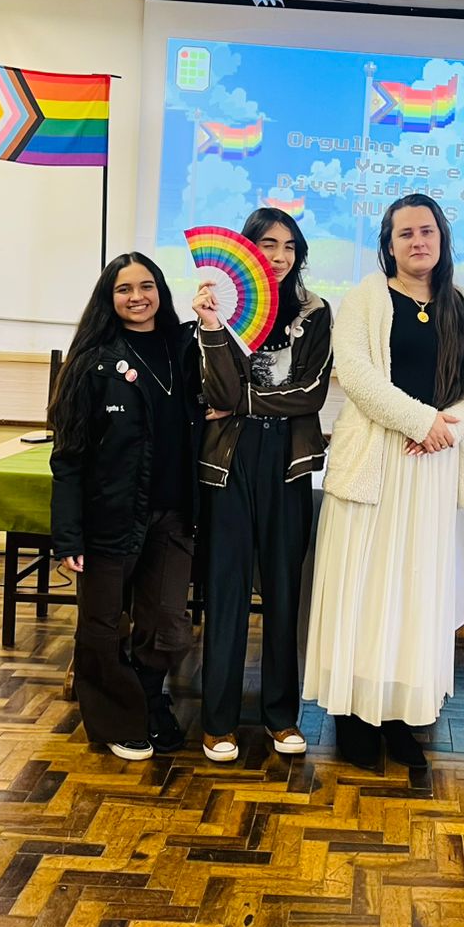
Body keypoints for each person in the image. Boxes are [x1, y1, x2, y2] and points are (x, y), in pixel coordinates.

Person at [303, 194, 464, 770]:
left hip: (432, 468)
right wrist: (422, 422)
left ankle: (398, 715)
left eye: (427, 231)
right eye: (405, 233)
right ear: (388, 244)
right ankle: (354, 716)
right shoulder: (365, 297)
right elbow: (357, 375)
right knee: (361, 592)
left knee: (413, 595)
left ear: (442, 238)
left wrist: (446, 429)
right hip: (373, 465)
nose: (418, 241)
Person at [50, 252, 210, 761]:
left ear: (160, 290)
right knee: (100, 627)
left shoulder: (185, 347)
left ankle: (145, 697)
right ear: (109, 297)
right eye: (124, 289)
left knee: (167, 625)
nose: (137, 297)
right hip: (110, 518)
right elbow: (68, 457)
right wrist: (68, 535)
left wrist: (211, 322)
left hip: (174, 516)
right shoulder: (92, 363)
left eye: (146, 285)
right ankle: (118, 720)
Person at [194, 207, 332, 763]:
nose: (279, 256)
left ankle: (281, 716)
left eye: (289, 246)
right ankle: (217, 722)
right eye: (268, 244)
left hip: (287, 461)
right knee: (225, 592)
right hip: (227, 463)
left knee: (283, 590)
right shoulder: (222, 307)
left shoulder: (315, 311)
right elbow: (217, 392)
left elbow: (311, 393)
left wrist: (243, 402)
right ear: (247, 249)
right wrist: (210, 328)